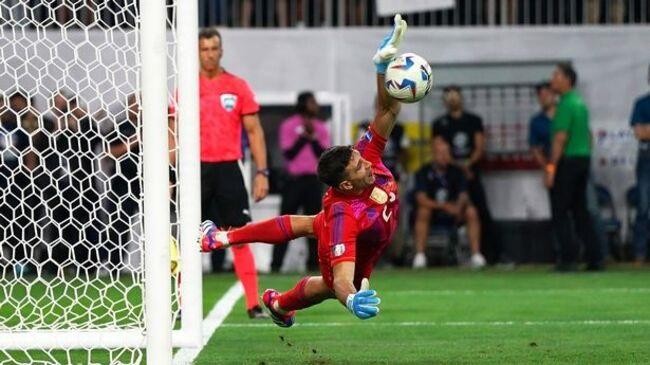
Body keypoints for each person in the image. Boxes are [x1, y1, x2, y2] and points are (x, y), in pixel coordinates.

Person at [200, 14, 407, 326]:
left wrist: (381, 67)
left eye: (361, 159)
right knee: (329, 283)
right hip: (357, 235)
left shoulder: (365, 154)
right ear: (347, 186)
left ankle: (232, 248)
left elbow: (389, 109)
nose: (369, 164)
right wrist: (349, 298)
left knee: (311, 225)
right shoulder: (344, 215)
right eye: (360, 167)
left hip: (371, 232)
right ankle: (272, 295)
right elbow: (341, 281)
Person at [195, 27, 268, 319]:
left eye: (214, 48)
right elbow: (173, 132)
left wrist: (261, 172)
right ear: (198, 52)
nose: (210, 54)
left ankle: (252, 303)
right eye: (204, 49)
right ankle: (182, 306)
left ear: (221, 50)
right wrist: (171, 175)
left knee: (238, 236)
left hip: (228, 168)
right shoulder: (186, 88)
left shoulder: (237, 86)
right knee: (189, 238)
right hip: (195, 168)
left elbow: (254, 132)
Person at [431, 85, 505, 265]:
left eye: (455, 95)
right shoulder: (440, 124)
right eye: (448, 96)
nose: (452, 99)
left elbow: (479, 148)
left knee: (481, 211)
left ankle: (492, 255)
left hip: (472, 173)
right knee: (453, 209)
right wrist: (457, 167)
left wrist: (467, 164)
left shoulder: (473, 121)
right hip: (451, 177)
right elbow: (439, 149)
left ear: (461, 98)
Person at [546, 62, 604, 271]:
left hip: (568, 161)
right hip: (583, 159)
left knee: (560, 211)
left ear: (567, 80)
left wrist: (551, 168)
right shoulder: (580, 104)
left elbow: (560, 138)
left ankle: (568, 258)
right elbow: (588, 136)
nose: (552, 79)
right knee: (581, 211)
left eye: (556, 75)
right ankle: (595, 257)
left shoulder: (565, 105)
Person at [274, 91, 330, 272]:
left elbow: (323, 156)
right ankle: (276, 264)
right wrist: (303, 137)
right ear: (303, 104)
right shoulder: (289, 125)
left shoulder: (321, 127)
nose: (316, 106)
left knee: (315, 226)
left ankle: (314, 265)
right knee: (284, 224)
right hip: (293, 181)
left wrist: (312, 137)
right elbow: (288, 153)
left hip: (313, 181)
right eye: (312, 102)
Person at [412, 139, 486, 269]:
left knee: (471, 211)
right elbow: (421, 199)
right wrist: (444, 206)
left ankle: (476, 255)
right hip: (434, 211)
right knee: (423, 211)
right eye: (441, 153)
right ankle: (420, 256)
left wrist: (458, 207)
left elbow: (464, 194)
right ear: (434, 154)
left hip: (454, 211)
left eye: (447, 153)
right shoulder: (423, 172)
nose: (445, 157)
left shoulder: (456, 171)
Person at [629, 64, 650, 266]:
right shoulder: (642, 103)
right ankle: (640, 253)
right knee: (643, 206)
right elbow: (640, 133)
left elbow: (646, 131)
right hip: (647, 158)